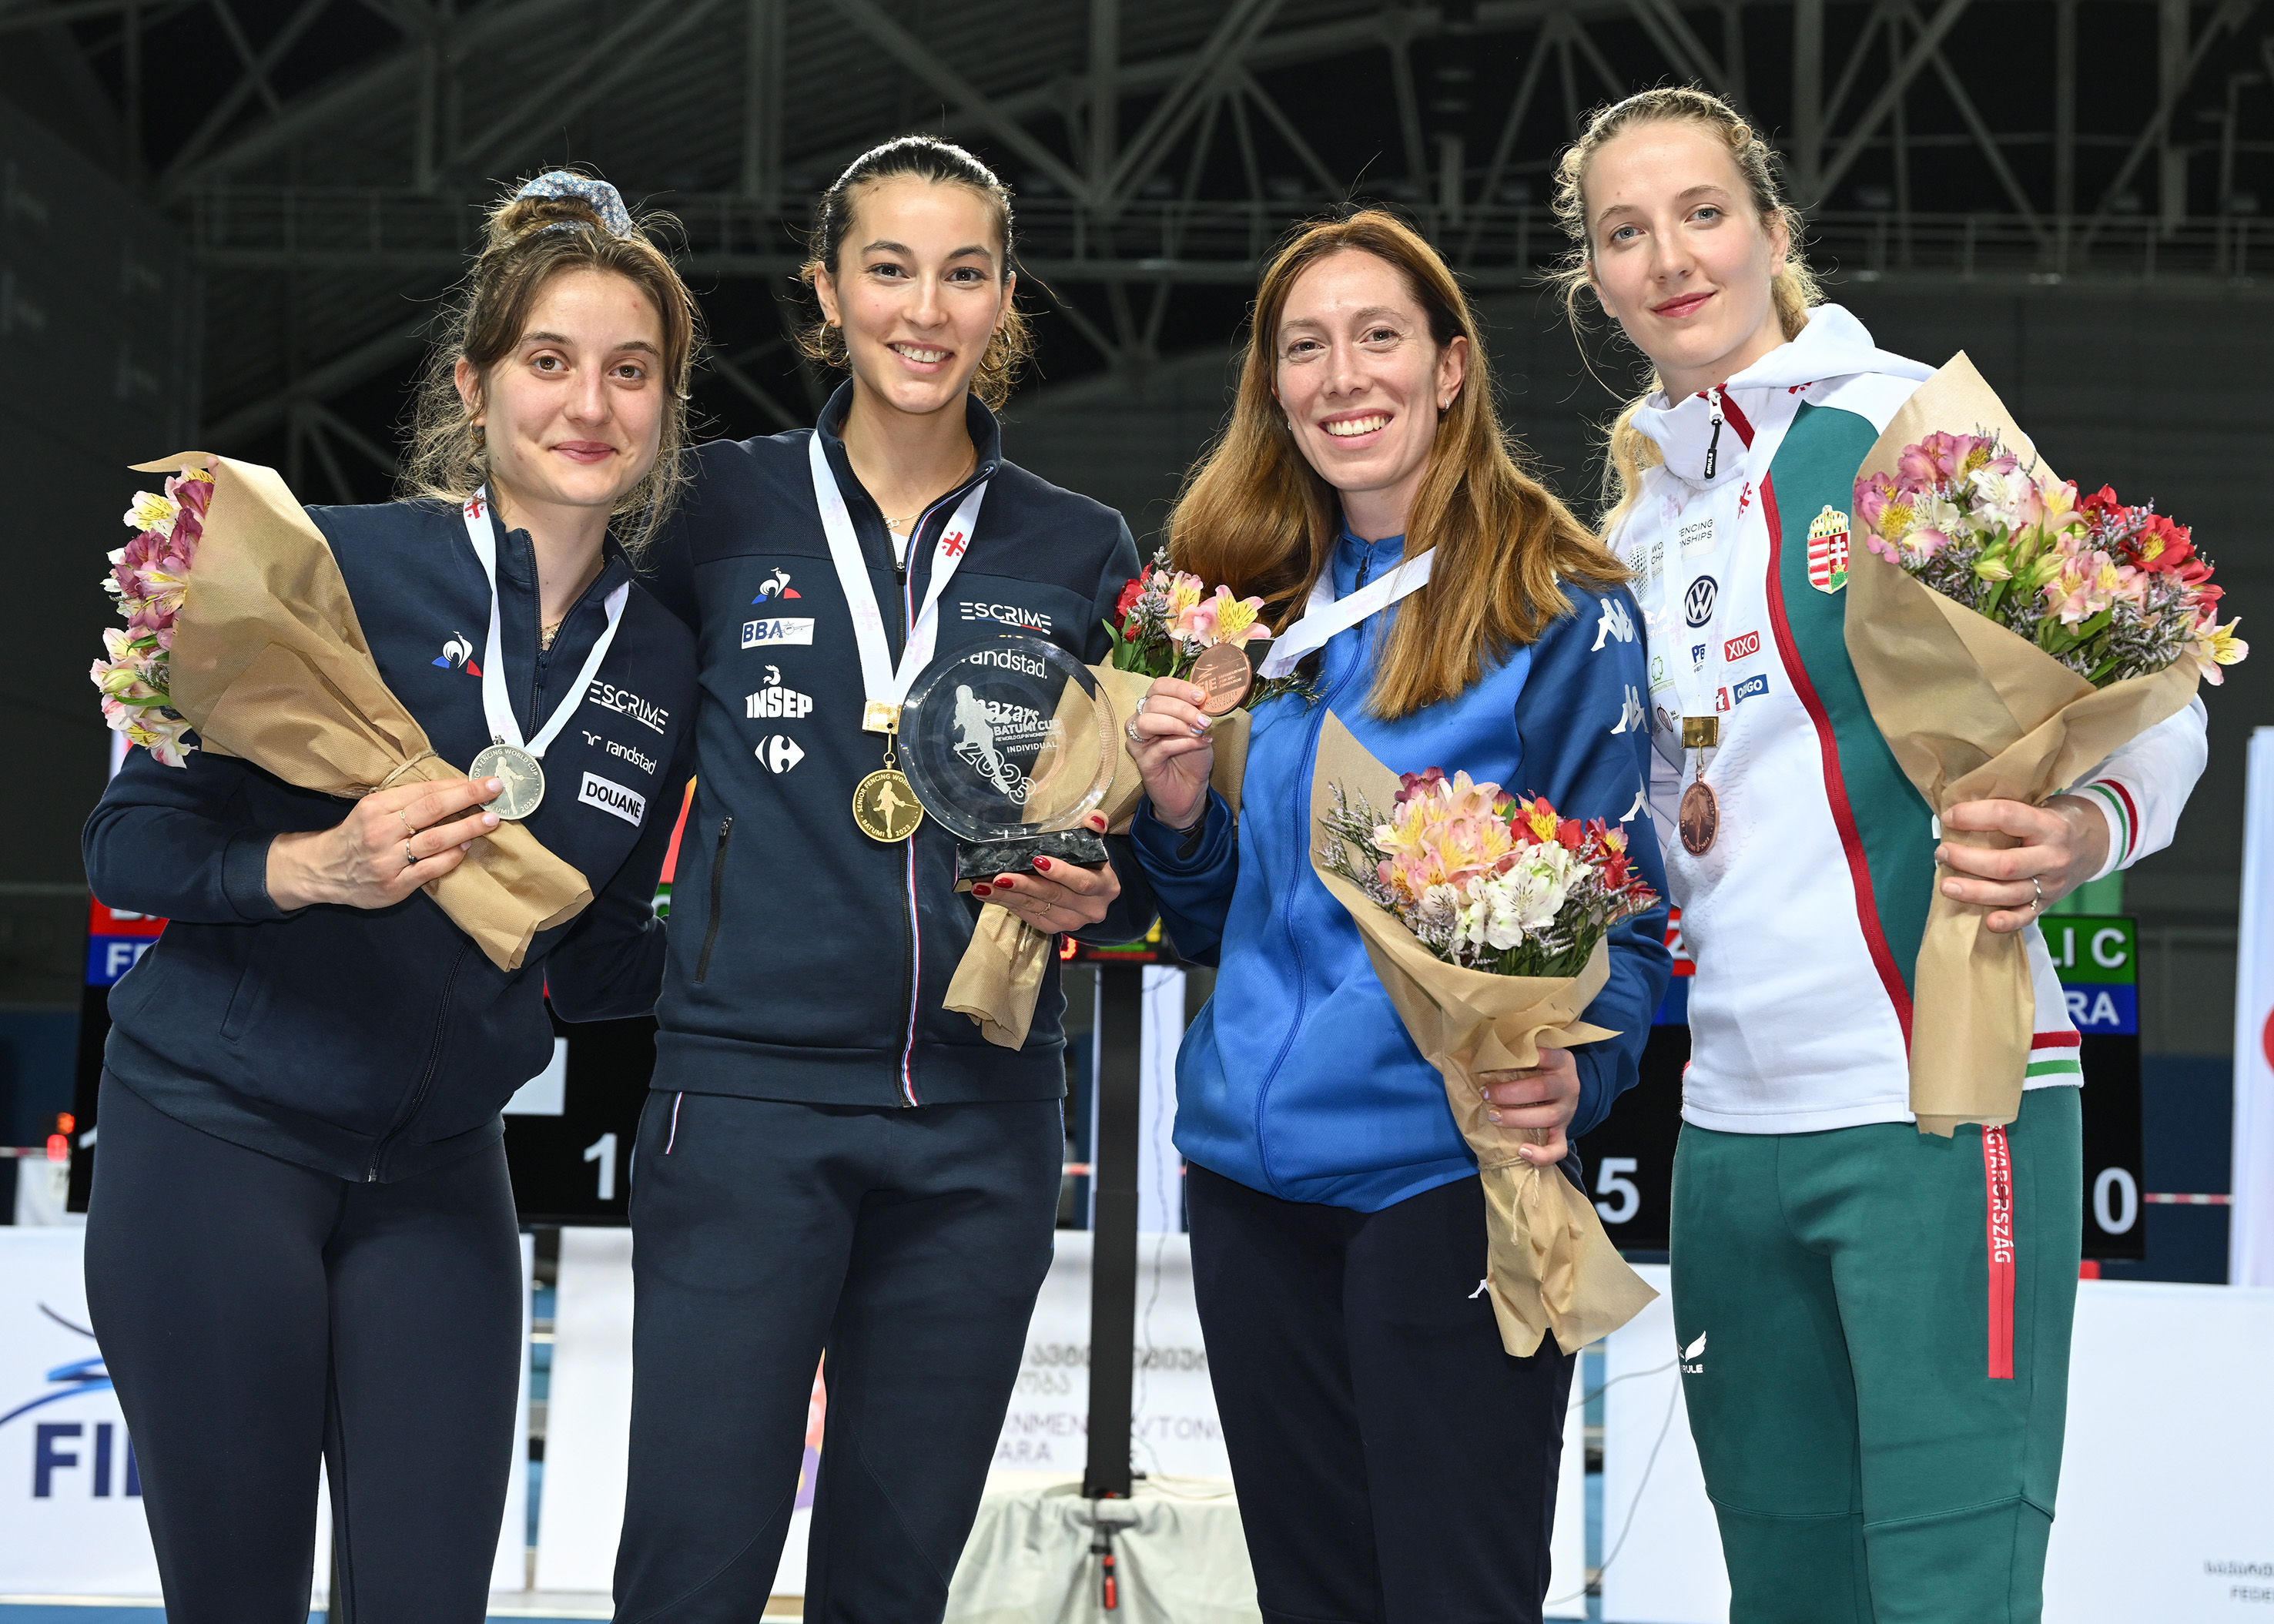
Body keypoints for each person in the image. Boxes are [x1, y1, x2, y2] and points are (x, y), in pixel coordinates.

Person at [1550, 87, 2209, 1622]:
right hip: (1724, 1129)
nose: (1669, 257)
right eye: (1622, 232)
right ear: (1594, 281)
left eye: (1702, 213)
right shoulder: (1638, 507)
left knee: (1947, 1583)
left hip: (1938, 1100)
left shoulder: (1896, 422)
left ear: (1774, 230)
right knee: (1783, 1586)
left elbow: (2154, 691)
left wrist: (2081, 829)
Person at [79, 171, 702, 1624]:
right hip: (217, 1144)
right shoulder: (325, 569)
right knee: (232, 1598)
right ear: (476, 387)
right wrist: (315, 866)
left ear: (667, 407)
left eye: (630, 371)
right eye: (548, 363)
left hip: (437, 1174)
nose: (588, 404)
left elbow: (597, 956)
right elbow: (128, 843)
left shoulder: (663, 658)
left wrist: (800, 954)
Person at [614, 136, 1154, 1624]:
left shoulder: (1076, 545)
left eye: (964, 272)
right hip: (744, 1108)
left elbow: (1130, 819)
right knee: (690, 1569)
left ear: (1003, 300)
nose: (927, 309)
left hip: (978, 1127)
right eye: (890, 268)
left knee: (895, 1586)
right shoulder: (709, 511)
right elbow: (617, 769)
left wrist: (1099, 882)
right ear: (827, 292)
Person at [1124, 210, 1673, 1624]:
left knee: (1451, 1599)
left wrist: (1586, 1065)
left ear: (1447, 368)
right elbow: (1208, 919)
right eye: (1302, 346)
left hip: (1446, 1181)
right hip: (1249, 1186)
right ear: (1271, 387)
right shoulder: (1242, 601)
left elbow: (1630, 904)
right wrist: (1178, 812)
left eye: (1377, 336)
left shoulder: (1556, 601)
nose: (1339, 374)